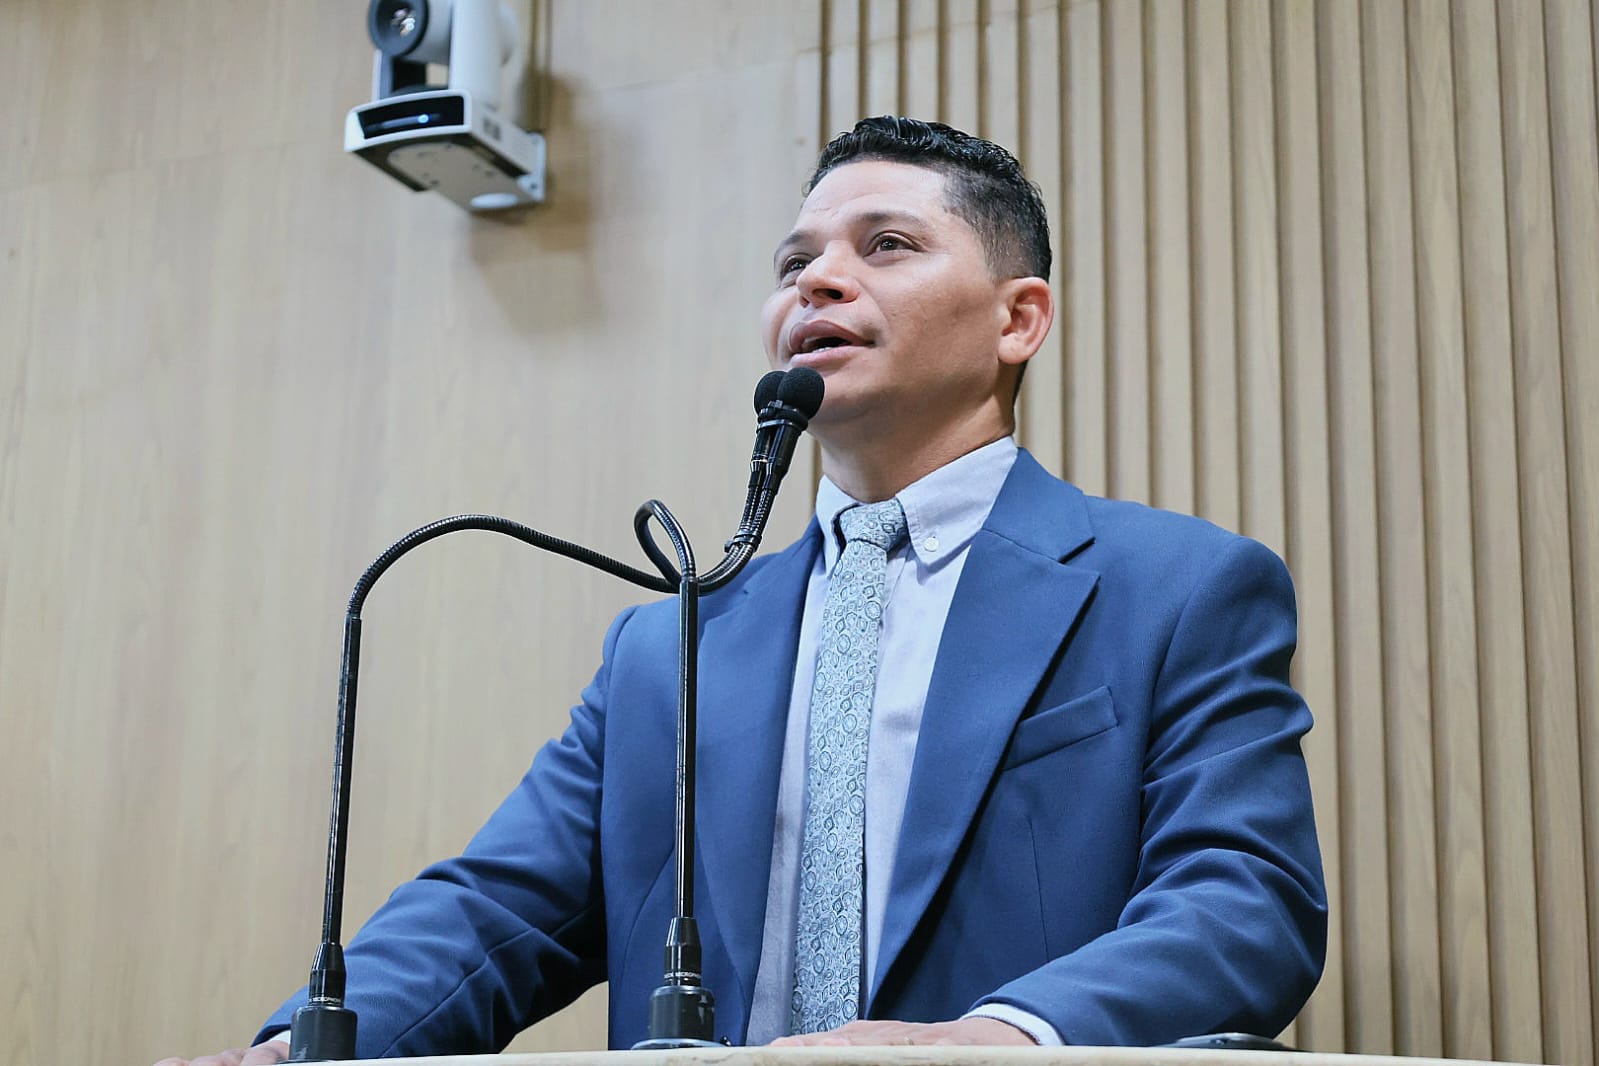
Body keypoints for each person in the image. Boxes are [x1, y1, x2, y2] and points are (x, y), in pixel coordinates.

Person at [157, 117, 1326, 1066]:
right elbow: (495, 909)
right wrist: (298, 1048)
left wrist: (998, 1038)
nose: (819, 279)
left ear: (1019, 319)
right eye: (793, 263)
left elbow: (1243, 901)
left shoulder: (1176, 590)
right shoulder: (669, 644)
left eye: (886, 246)